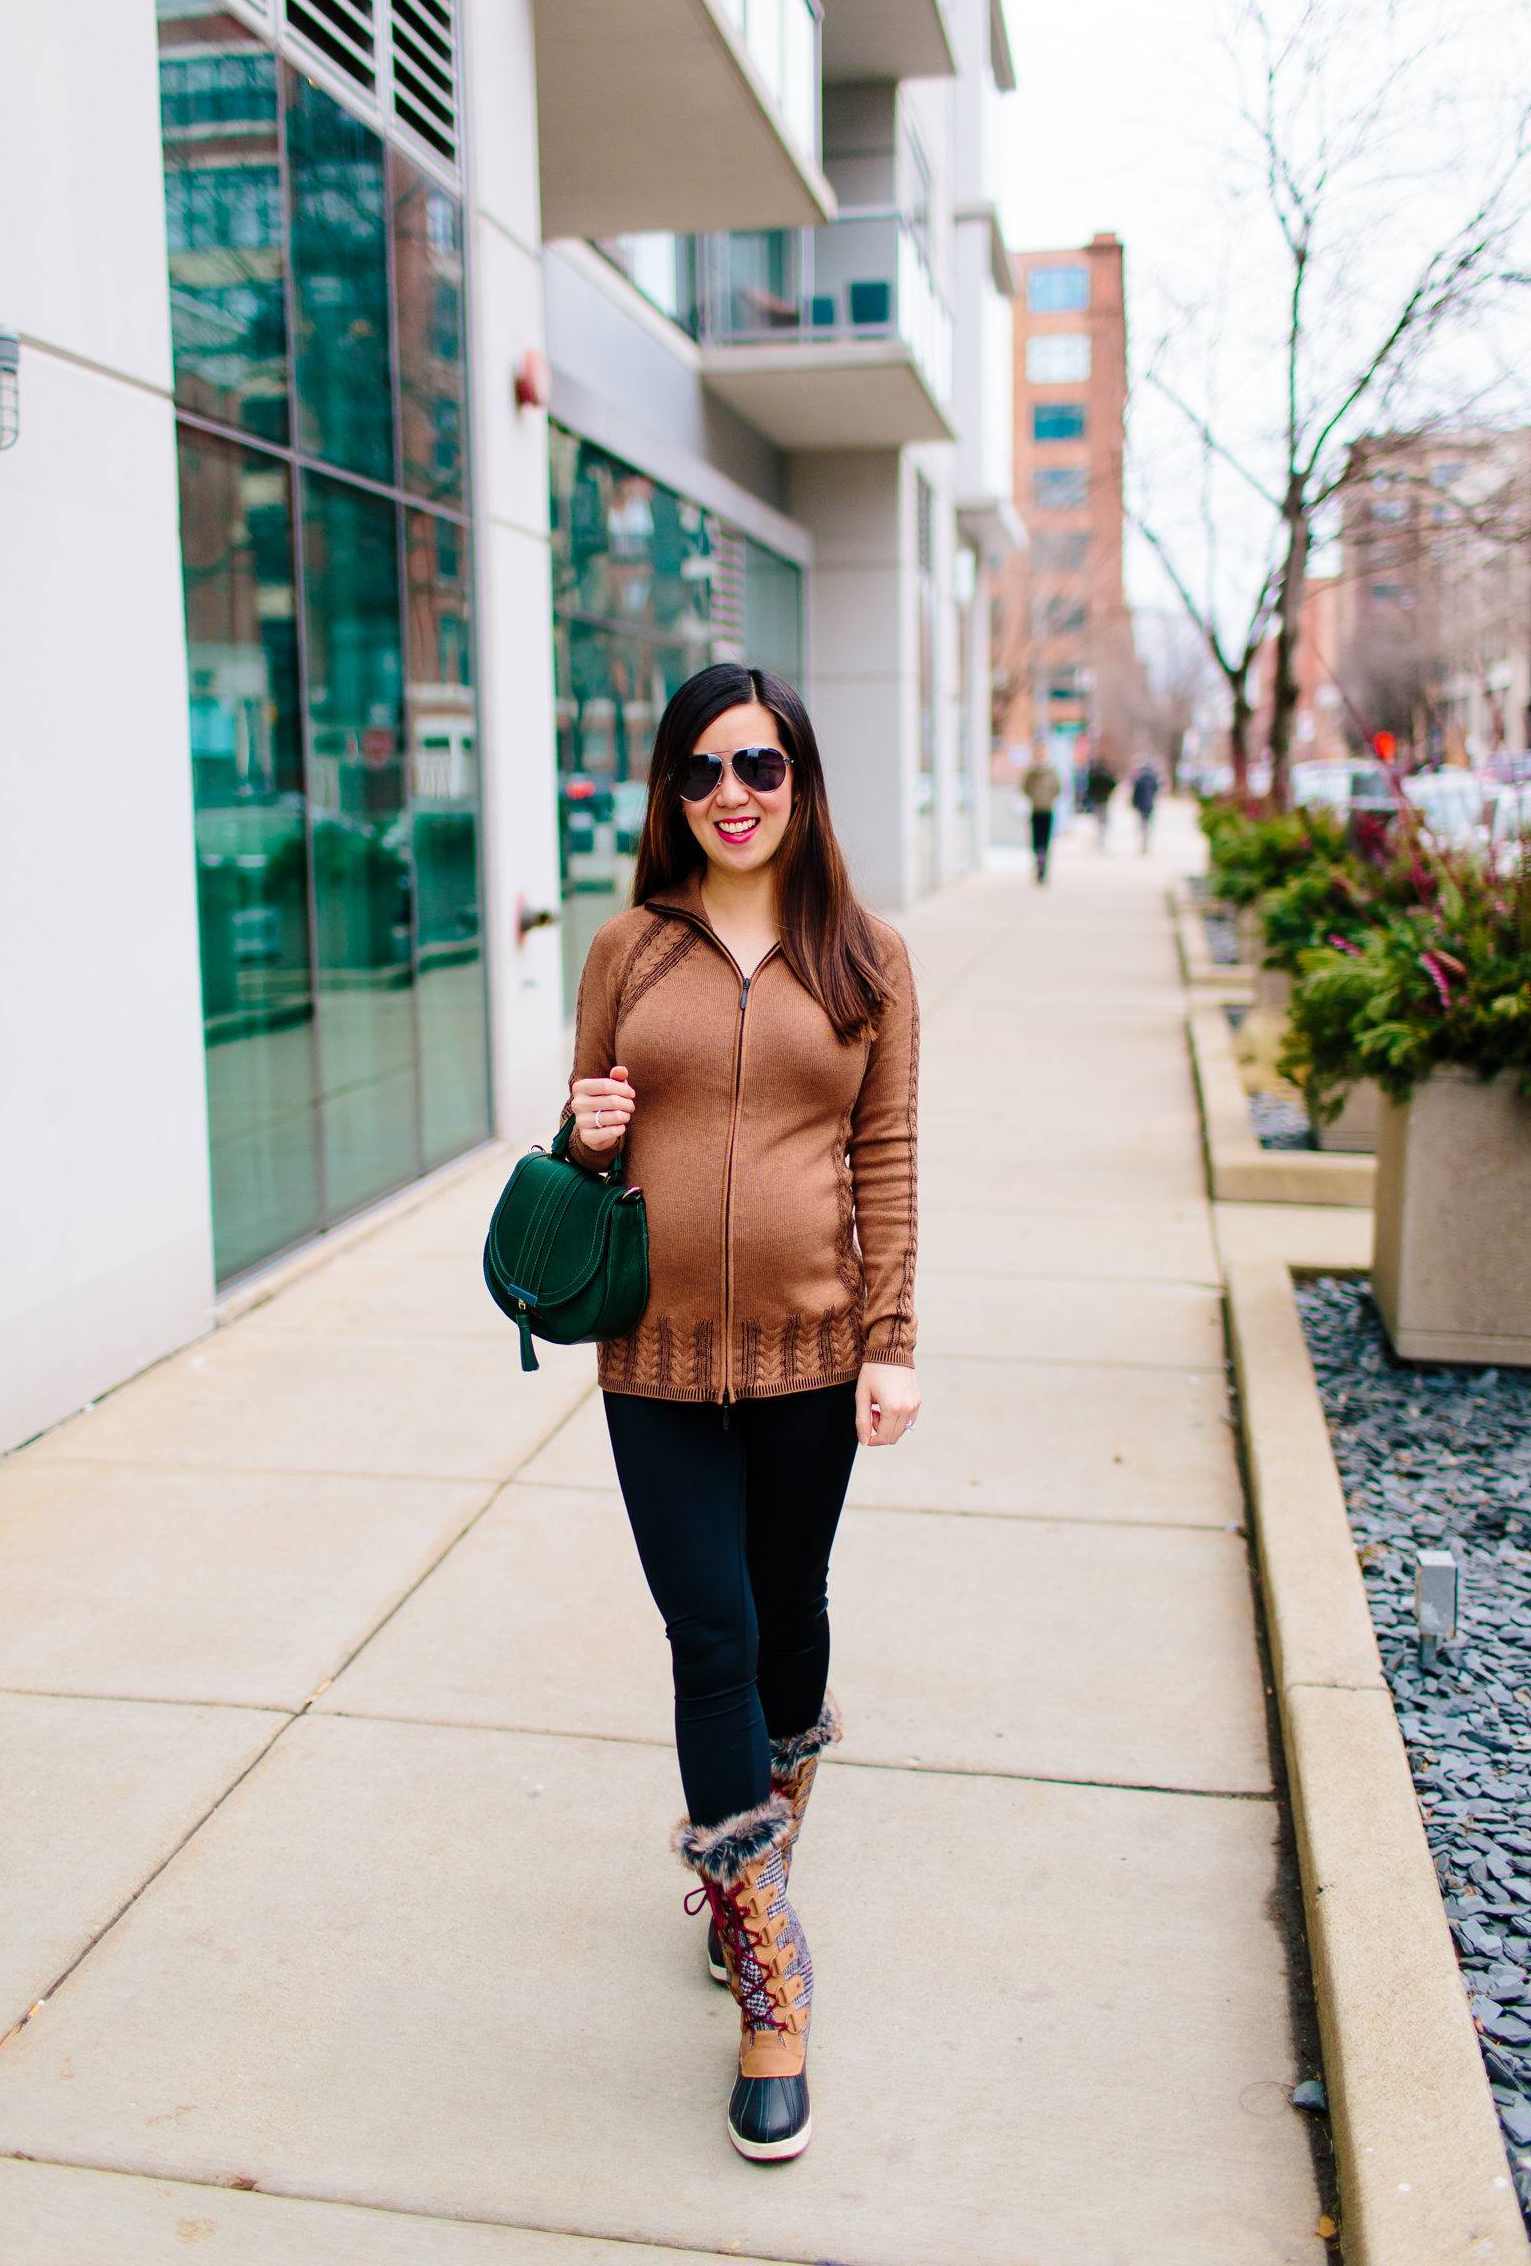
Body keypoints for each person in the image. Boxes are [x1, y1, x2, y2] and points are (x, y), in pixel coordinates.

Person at [563, 662, 920, 2166]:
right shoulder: (627, 953)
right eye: (705, 769)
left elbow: (889, 1159)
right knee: (707, 1632)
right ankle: (770, 1970)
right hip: (650, 1359)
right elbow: (575, 1169)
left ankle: (749, 1860)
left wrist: (892, 1342)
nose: (734, 794)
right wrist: (579, 1138)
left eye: (761, 767)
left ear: (802, 782)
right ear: (671, 790)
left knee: (788, 1616)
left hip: (813, 1356)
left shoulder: (866, 959)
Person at [1021, 739, 1061, 883]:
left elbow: (1058, 789)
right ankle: (1037, 866)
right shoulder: (1031, 773)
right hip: (1035, 810)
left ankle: (1044, 868)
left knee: (1046, 841)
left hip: (1047, 810)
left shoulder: (1051, 772)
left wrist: (1048, 800)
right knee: (1035, 841)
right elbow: (1025, 789)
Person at [1085, 756, 1117, 848]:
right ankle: (1101, 836)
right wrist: (1108, 793)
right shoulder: (1107, 773)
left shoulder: (1094, 773)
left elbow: (1090, 786)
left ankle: (1097, 837)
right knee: (1103, 819)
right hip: (1104, 799)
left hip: (1096, 799)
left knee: (1096, 818)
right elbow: (1113, 784)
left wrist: (1091, 795)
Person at [1131, 760, 1159, 852]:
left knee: (1143, 823)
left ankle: (1143, 841)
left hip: (1141, 805)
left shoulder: (1140, 780)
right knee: (1147, 823)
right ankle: (1145, 841)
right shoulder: (1152, 780)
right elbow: (1156, 791)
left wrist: (1134, 803)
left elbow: (1136, 793)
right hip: (1149, 805)